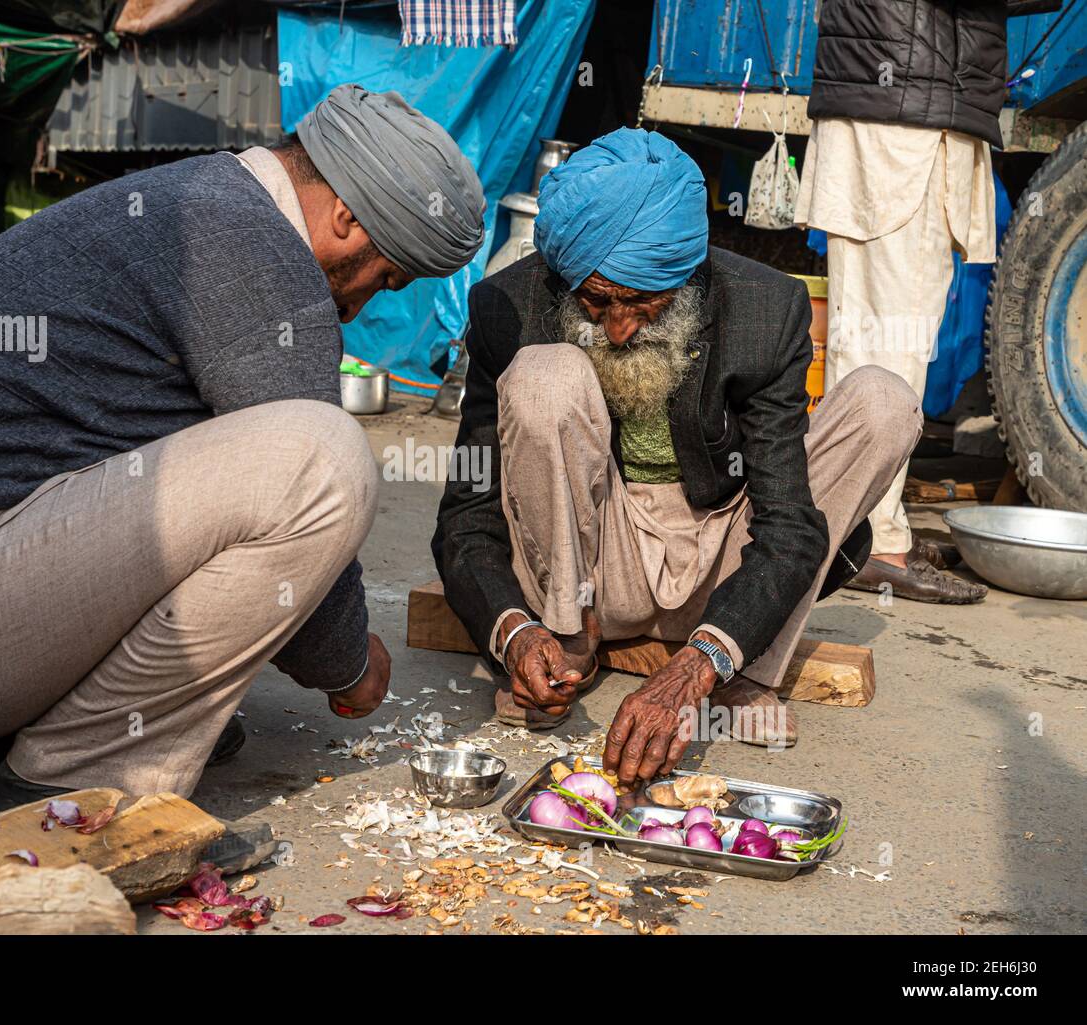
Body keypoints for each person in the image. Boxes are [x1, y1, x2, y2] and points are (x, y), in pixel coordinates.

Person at [0, 83, 486, 843]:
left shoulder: (198, 198)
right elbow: (308, 572)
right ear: (347, 217)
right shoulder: (256, 252)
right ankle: (65, 785)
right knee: (325, 458)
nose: (359, 305)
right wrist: (352, 666)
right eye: (383, 276)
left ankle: (57, 732)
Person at [433, 128, 920, 787]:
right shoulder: (508, 306)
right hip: (598, 559)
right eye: (597, 298)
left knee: (884, 401)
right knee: (546, 376)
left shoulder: (767, 309)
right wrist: (515, 631)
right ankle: (567, 640)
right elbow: (468, 513)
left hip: (723, 552)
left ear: (689, 271)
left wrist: (691, 672)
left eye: (643, 300)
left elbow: (785, 522)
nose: (619, 326)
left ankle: (740, 664)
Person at [795, 0, 1058, 602]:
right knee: (886, 344)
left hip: (914, 103)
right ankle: (870, 543)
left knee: (891, 339)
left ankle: (867, 531)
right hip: (901, 113)